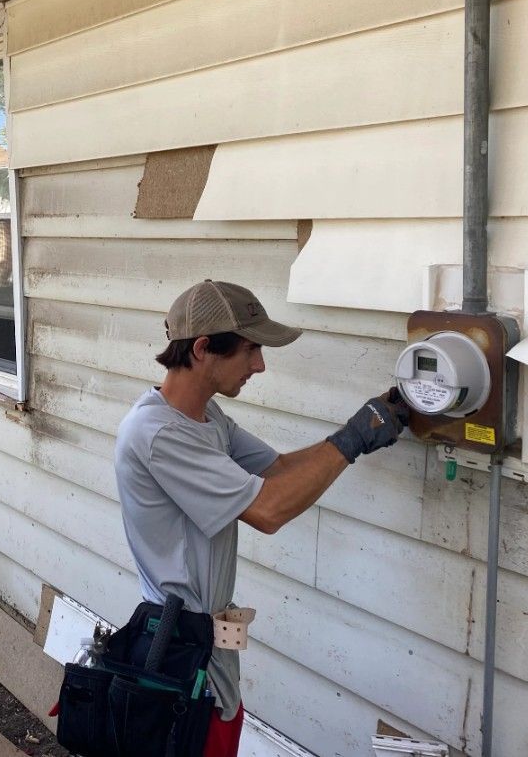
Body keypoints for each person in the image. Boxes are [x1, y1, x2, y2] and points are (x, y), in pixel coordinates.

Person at [114, 280, 409, 756]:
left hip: (209, 650)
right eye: (251, 350)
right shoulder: (157, 433)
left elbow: (278, 470)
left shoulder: (204, 416)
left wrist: (363, 425)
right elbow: (268, 510)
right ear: (204, 348)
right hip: (180, 654)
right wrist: (352, 440)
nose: (260, 365)